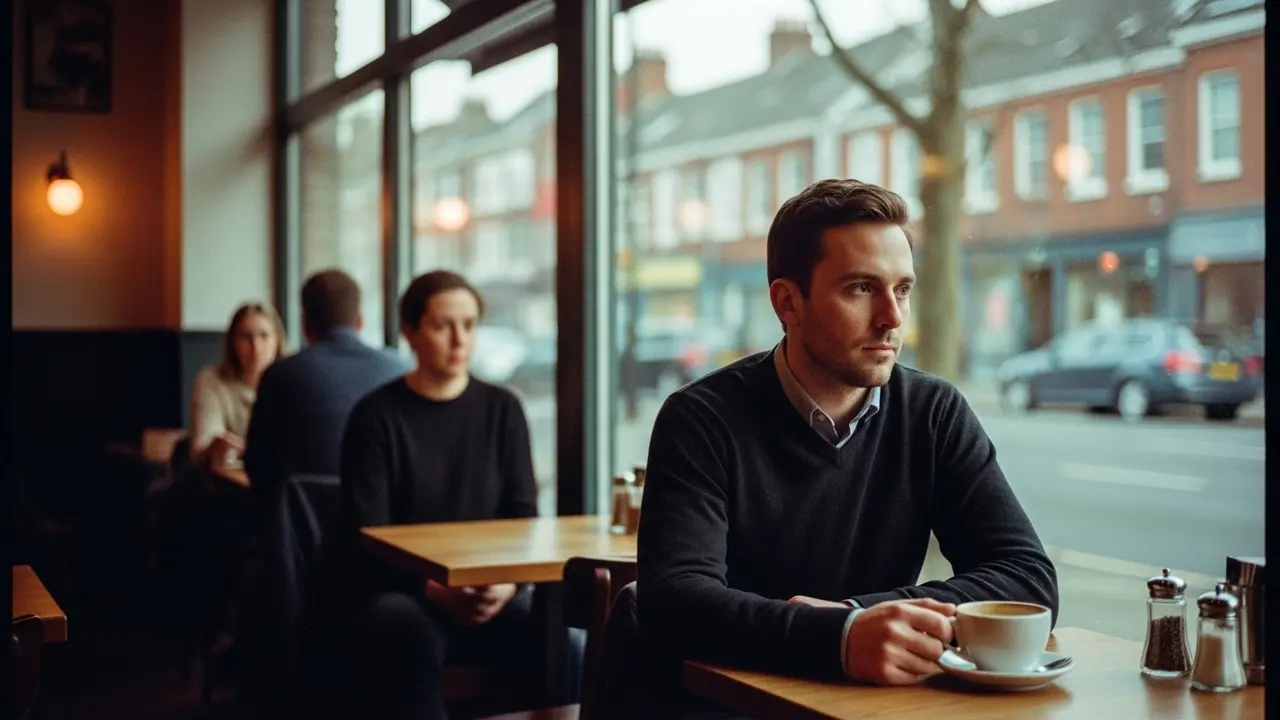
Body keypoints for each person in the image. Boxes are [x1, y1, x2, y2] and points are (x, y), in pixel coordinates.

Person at [634, 179, 1059, 714]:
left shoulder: (934, 411)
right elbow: (673, 602)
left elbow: (1027, 580)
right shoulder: (702, 418)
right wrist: (838, 637)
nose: (893, 317)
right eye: (861, 288)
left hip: (873, 708)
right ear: (788, 302)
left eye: (902, 289)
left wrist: (859, 615)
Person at [340, 270, 569, 720]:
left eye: (469, 325)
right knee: (396, 624)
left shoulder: (504, 409)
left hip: (493, 592)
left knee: (560, 629)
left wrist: (508, 584)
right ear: (410, 332)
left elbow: (523, 517)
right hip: (411, 593)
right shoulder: (376, 416)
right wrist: (437, 589)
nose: (459, 339)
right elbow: (365, 534)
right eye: (443, 325)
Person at [243, 268, 406, 509]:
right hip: (379, 531)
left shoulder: (281, 374)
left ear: (305, 323)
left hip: (299, 533)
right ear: (360, 322)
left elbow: (257, 466)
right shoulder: (399, 369)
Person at [190, 302, 287, 472]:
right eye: (246, 337)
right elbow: (203, 444)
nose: (256, 347)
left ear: (277, 341)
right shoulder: (213, 381)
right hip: (225, 483)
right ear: (233, 343)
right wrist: (217, 448)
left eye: (264, 336)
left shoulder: (291, 383)